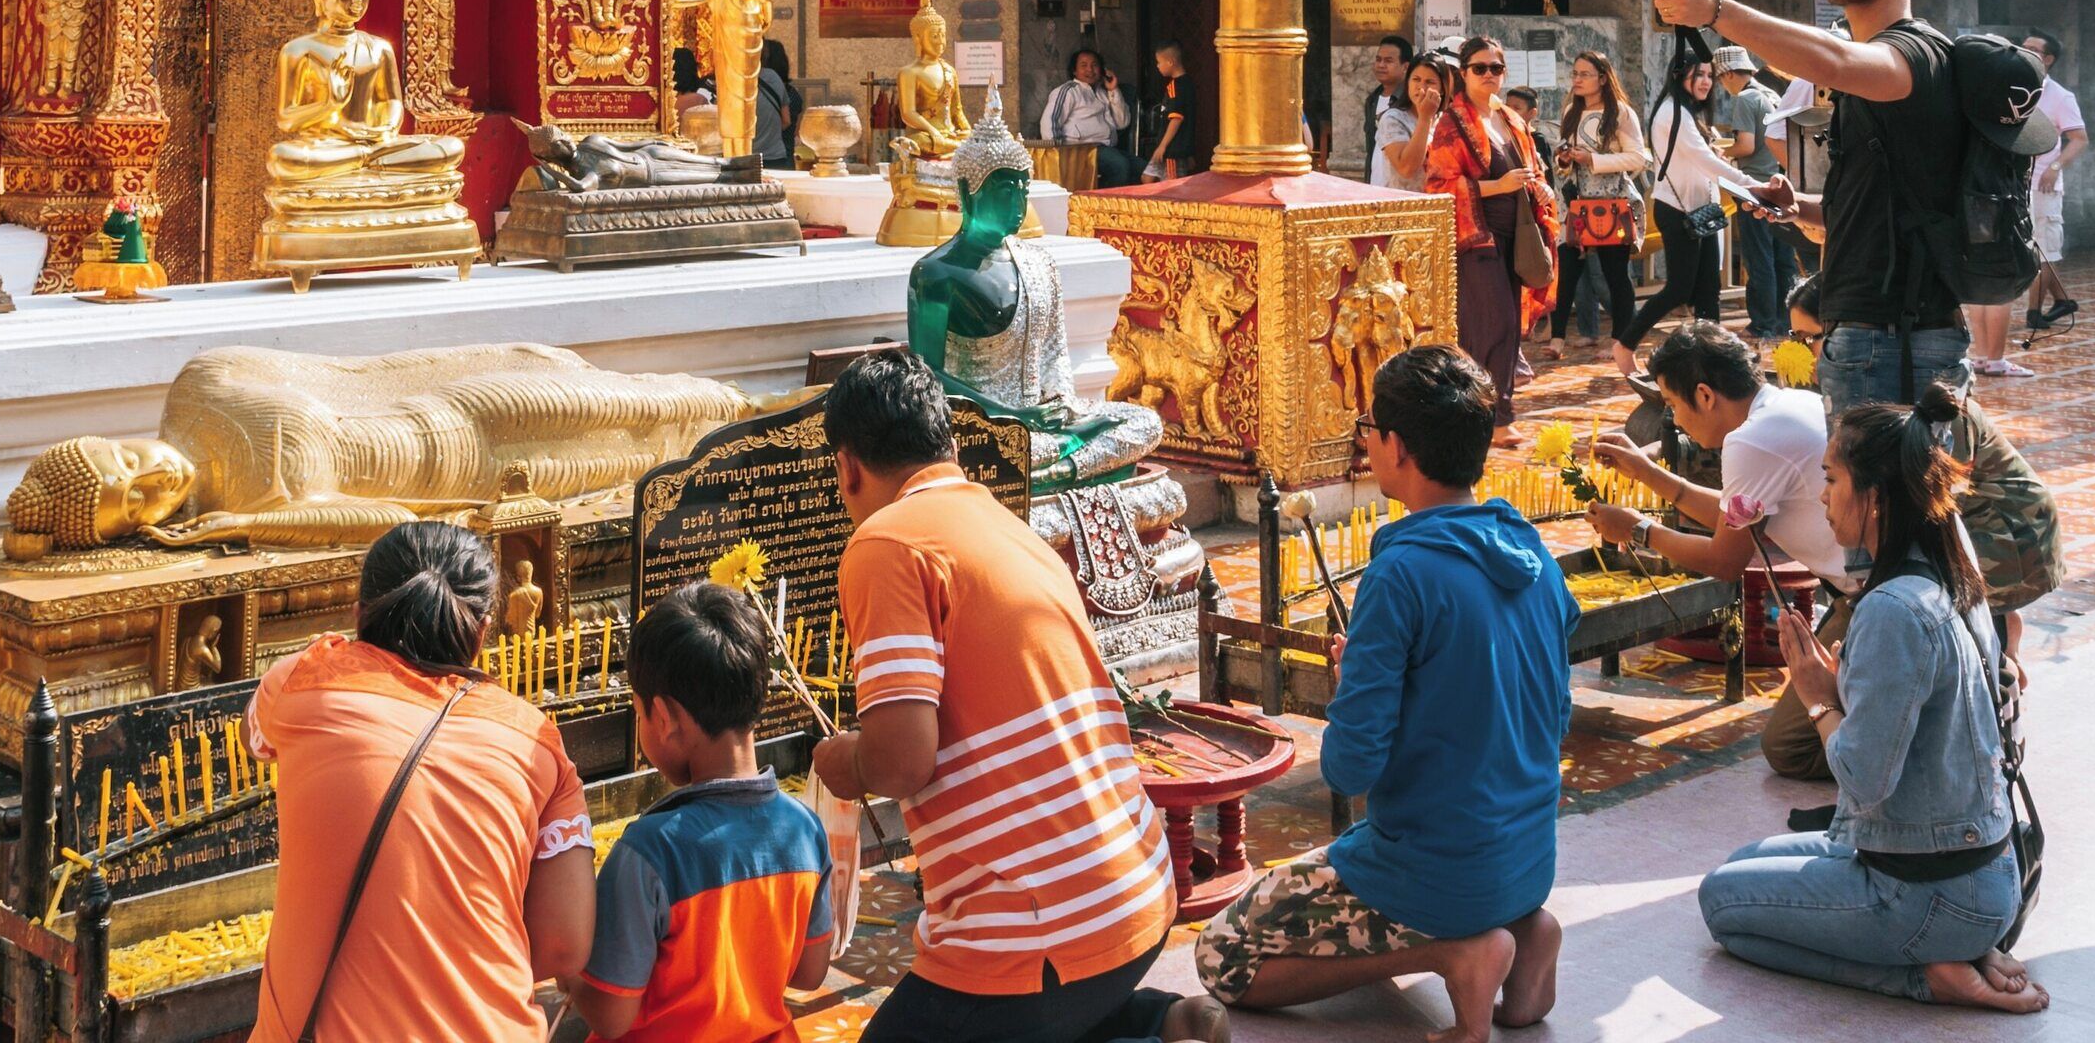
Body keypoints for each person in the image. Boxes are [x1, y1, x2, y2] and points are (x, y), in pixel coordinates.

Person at [814, 350, 1206, 1043]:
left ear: (847, 468)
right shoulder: (1014, 530)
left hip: (1041, 930)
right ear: (953, 449)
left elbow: (903, 763)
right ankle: (1157, 1025)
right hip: (1140, 894)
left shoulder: (885, 544)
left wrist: (848, 763)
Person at [1193, 347, 1569, 1043]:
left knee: (1223, 957)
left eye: (1370, 425)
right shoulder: (1530, 551)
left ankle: (1455, 953)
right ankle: (1522, 930)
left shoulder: (1403, 573)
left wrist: (1350, 690)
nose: (1367, 439)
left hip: (1435, 868)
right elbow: (1540, 708)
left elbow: (1350, 768)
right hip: (1526, 858)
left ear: (1395, 445)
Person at [1691, 390, 2046, 1015]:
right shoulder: (1950, 561)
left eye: (1831, 480)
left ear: (1874, 496)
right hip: (1981, 872)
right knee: (1748, 860)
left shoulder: (1890, 608)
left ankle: (1926, 975)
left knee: (1722, 903)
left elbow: (1864, 778)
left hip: (1929, 891)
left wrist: (1818, 700)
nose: (1823, 498)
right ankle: (1965, 943)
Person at [242, 520, 594, 1043]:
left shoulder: (300, 685)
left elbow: (259, 743)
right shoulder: (535, 743)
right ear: (482, 632)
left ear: (360, 614)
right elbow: (565, 945)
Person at [1650, 0, 1970, 415]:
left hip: (1897, 337)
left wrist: (1714, 9)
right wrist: (1799, 207)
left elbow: (1836, 61)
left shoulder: (1917, 54)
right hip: (1867, 330)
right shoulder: (1863, 67)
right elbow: (1883, 208)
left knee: (1877, 497)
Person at [1591, 322, 1856, 783]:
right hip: (1872, 584)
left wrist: (1637, 530)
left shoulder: (1750, 440)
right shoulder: (1785, 404)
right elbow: (1734, 514)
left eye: (1673, 405)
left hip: (1873, 595)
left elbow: (1725, 559)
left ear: (1706, 395)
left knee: (1788, 748)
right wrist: (1645, 471)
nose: (1674, 420)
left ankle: (1886, 742)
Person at [575, 581, 838, 1042]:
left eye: (638, 712)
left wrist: (565, 963)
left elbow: (611, 1016)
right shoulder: (803, 830)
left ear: (664, 717)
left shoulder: (649, 852)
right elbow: (810, 973)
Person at [1423, 35, 1550, 396]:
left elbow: (1533, 171)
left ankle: (1496, 407)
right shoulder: (1452, 123)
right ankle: (1490, 411)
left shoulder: (1511, 119)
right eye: (1480, 68)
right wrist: (1499, 186)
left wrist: (1540, 188)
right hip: (1477, 235)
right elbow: (1439, 186)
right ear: (1463, 73)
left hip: (1516, 234)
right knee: (1496, 324)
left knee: (1507, 328)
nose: (1488, 74)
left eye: (1496, 68)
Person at [1547, 50, 1652, 375]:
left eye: (1585, 74)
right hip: (1577, 203)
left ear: (1603, 78)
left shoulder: (1620, 113)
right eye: (1575, 73)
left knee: (1615, 275)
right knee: (1566, 269)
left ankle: (1623, 339)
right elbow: (1562, 166)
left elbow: (1638, 158)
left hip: (1612, 201)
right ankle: (1557, 338)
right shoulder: (1570, 112)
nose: (1577, 79)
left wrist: (1594, 160)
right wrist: (1564, 162)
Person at [1645, 53, 1738, 334]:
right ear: (1680, 76)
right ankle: (1626, 340)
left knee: (1709, 289)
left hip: (1703, 210)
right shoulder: (1673, 113)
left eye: (1710, 76)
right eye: (1699, 75)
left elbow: (1701, 159)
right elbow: (1704, 160)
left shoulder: (1690, 112)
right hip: (1679, 209)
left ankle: (1713, 350)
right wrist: (1751, 187)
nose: (1706, 82)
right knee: (1679, 291)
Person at [1713, 48, 1792, 336]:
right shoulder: (1771, 95)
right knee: (1782, 258)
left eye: (1721, 80)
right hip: (1781, 185)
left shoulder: (1745, 99)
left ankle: (1762, 324)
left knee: (1759, 259)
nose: (1722, 86)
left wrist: (1721, 152)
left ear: (1729, 74)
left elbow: (1745, 146)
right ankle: (1785, 321)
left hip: (1755, 187)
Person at [2016, 32, 2089, 332]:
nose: (2025, 52)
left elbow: (2079, 140)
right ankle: (2062, 300)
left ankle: (2034, 312)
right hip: (2017, 185)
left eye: (2033, 50)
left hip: (2044, 186)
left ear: (2048, 60)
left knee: (2043, 249)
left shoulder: (2060, 96)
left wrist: (2055, 167)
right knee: (2037, 247)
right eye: (2024, 47)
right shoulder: (2013, 85)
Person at [1041, 48, 1135, 189]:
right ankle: (1105, 207)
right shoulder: (1068, 90)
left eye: (1094, 65)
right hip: (1082, 150)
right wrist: (1058, 154)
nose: (1090, 70)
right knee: (1120, 166)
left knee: (1146, 169)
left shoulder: (1103, 92)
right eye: (1084, 65)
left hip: (1107, 148)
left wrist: (1113, 90)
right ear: (1074, 71)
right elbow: (1050, 121)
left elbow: (1122, 123)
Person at [1379, 54, 1452, 193]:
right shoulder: (1393, 119)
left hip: (1440, 207)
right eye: (1416, 80)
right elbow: (1406, 169)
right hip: (1405, 208)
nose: (1421, 88)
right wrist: (1425, 118)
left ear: (1442, 88)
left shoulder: (1447, 120)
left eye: (1430, 82)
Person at [1141, 44, 1203, 181]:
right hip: (1173, 147)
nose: (1157, 66)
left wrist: (1163, 146)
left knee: (1172, 187)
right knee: (1147, 178)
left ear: (1170, 62)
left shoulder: (1176, 86)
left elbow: (1177, 118)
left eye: (1159, 62)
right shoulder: (1188, 83)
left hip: (1172, 149)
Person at [1357, 34, 1412, 185]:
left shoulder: (1410, 102)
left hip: (1400, 192)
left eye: (1388, 61)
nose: (1381, 65)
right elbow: (1371, 151)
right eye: (1378, 59)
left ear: (1405, 67)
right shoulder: (1372, 101)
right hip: (1375, 190)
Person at [754, 40, 805, 172]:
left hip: (750, 157)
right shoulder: (776, 80)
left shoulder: (737, 82)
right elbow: (787, 122)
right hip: (779, 155)